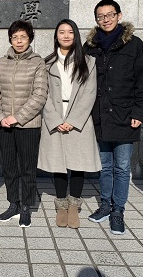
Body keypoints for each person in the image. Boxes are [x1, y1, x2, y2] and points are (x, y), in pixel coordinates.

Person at [84, 0, 143, 235]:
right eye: (100, 16)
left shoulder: (134, 45)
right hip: (99, 116)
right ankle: (105, 204)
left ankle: (118, 210)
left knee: (122, 167)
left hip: (126, 116)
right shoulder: (90, 46)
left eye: (110, 15)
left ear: (119, 15)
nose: (105, 19)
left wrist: (140, 113)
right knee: (104, 165)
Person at [38, 19, 101, 229]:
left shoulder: (88, 62)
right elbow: (43, 94)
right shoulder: (47, 63)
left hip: (79, 119)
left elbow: (90, 93)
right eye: (61, 32)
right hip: (55, 117)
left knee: (78, 164)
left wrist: (73, 121)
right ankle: (61, 206)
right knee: (58, 165)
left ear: (76, 35)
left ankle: (74, 205)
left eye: (70, 32)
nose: (66, 36)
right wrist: (56, 120)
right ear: (56, 36)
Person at [0, 19, 48, 228]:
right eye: (15, 37)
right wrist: (0, 116)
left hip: (28, 125)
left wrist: (18, 117)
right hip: (4, 125)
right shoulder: (1, 62)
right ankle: (13, 204)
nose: (19, 41)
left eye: (23, 37)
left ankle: (26, 207)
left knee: (27, 168)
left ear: (30, 38)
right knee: (9, 166)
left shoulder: (38, 63)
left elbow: (40, 94)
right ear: (10, 39)